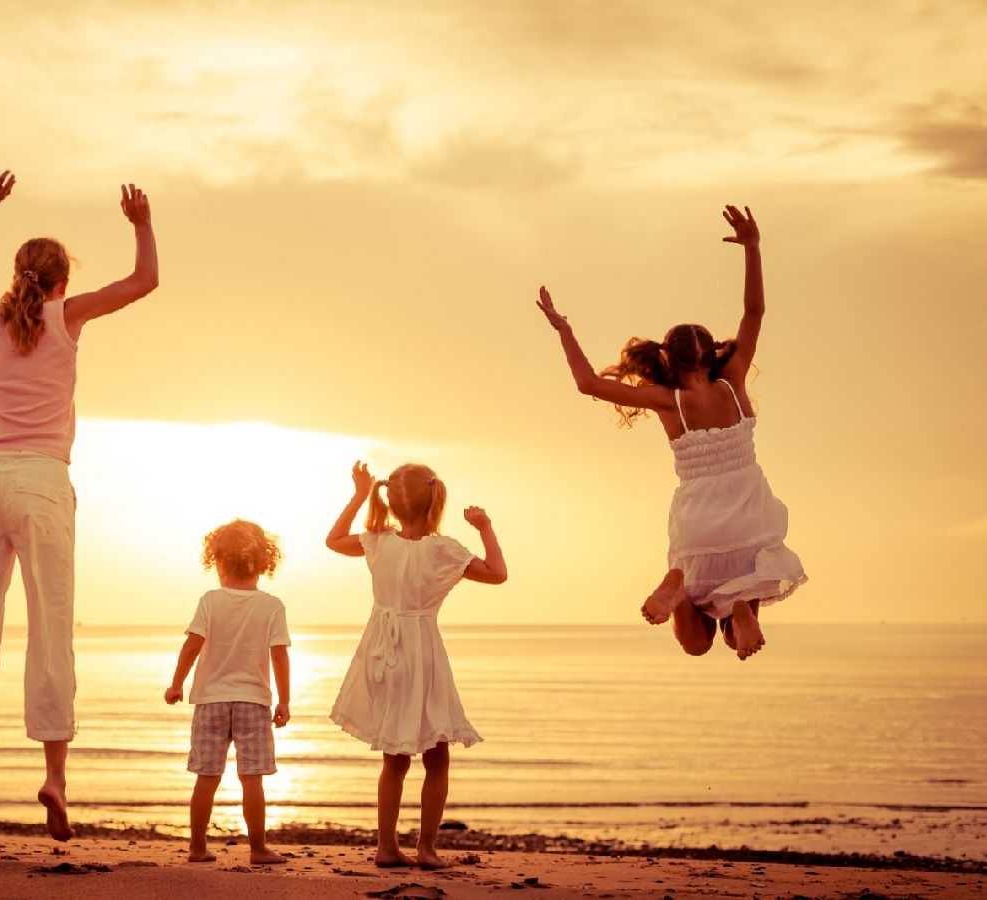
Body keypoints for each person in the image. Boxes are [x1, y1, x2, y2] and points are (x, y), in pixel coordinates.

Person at [0, 171, 159, 854]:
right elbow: (144, 281)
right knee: (50, 627)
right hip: (41, 482)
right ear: (63, 281)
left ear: (18, 275)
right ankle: (56, 781)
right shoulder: (68, 318)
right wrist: (142, 220)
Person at [535, 204, 805, 661]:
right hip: (746, 511)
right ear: (711, 354)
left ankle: (680, 591)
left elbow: (588, 385)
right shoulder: (733, 381)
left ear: (668, 360)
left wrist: (565, 331)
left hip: (698, 519)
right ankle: (742, 610)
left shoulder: (668, 401)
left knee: (696, 646)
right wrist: (753, 248)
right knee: (743, 603)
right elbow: (755, 310)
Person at [326, 461, 507, 869]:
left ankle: (386, 847)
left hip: (382, 652)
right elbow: (498, 574)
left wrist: (359, 494)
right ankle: (426, 849)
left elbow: (334, 539)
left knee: (394, 758)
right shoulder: (445, 549)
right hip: (422, 652)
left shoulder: (376, 540)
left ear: (390, 502)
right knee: (437, 756)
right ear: (435, 499)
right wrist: (485, 527)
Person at [164, 519, 292, 866]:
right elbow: (279, 654)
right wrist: (284, 700)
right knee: (252, 780)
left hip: (211, 701)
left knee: (207, 777)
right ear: (264, 563)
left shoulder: (210, 601)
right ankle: (259, 849)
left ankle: (197, 847)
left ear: (218, 561)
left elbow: (192, 645)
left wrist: (177, 684)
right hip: (253, 701)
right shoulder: (272, 606)